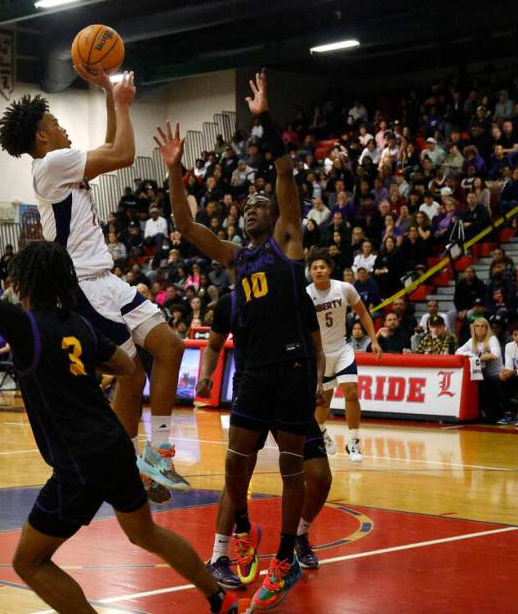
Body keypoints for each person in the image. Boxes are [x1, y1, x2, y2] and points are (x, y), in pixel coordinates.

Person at [0, 182, 238, 614]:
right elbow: (127, 367)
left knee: (30, 560)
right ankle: (218, 598)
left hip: (80, 465)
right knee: (145, 534)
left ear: (22, 281)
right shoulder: (80, 326)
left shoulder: (24, 325)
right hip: (114, 449)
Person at [160, 70, 321, 609]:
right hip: (253, 373)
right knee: (236, 466)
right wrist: (175, 169)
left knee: (293, 467)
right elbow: (184, 225)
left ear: (275, 216)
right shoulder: (235, 256)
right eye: (246, 202)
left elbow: (283, 173)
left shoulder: (287, 243)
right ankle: (239, 537)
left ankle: (283, 559)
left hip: (293, 369)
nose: (251, 204)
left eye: (260, 201)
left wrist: (263, 119)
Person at [0, 69, 189, 496]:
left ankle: (156, 457)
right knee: (131, 373)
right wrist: (122, 103)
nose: (63, 128)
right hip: (82, 284)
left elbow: (107, 147)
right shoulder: (51, 164)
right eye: (56, 124)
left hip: (107, 280)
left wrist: (108, 95)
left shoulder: (59, 166)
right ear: (42, 138)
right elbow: (121, 154)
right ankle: (124, 466)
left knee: (169, 347)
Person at [198, 284, 331, 586]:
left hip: (292, 389)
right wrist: (205, 375)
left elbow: (317, 350)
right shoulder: (230, 302)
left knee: (320, 476)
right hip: (252, 390)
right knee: (239, 472)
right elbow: (214, 346)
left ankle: (298, 534)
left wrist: (318, 382)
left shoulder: (294, 296)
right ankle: (219, 555)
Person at [307, 248, 382, 462]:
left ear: (329, 269)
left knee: (351, 391)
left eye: (322, 266)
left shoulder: (345, 288)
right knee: (323, 402)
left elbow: (363, 313)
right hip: (320, 354)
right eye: (315, 267)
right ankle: (322, 432)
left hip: (342, 348)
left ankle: (353, 442)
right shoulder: (306, 294)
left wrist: (374, 341)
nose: (319, 270)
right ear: (310, 272)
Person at [455, 317, 503, 422]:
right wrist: (471, 354)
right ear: (473, 328)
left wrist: (476, 358)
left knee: (484, 384)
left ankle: (491, 414)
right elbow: (458, 351)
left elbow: (495, 355)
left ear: (487, 328)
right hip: (482, 372)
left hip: (496, 373)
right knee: (477, 383)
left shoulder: (492, 339)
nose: (480, 328)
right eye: (477, 326)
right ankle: (479, 412)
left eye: (482, 326)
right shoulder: (471, 341)